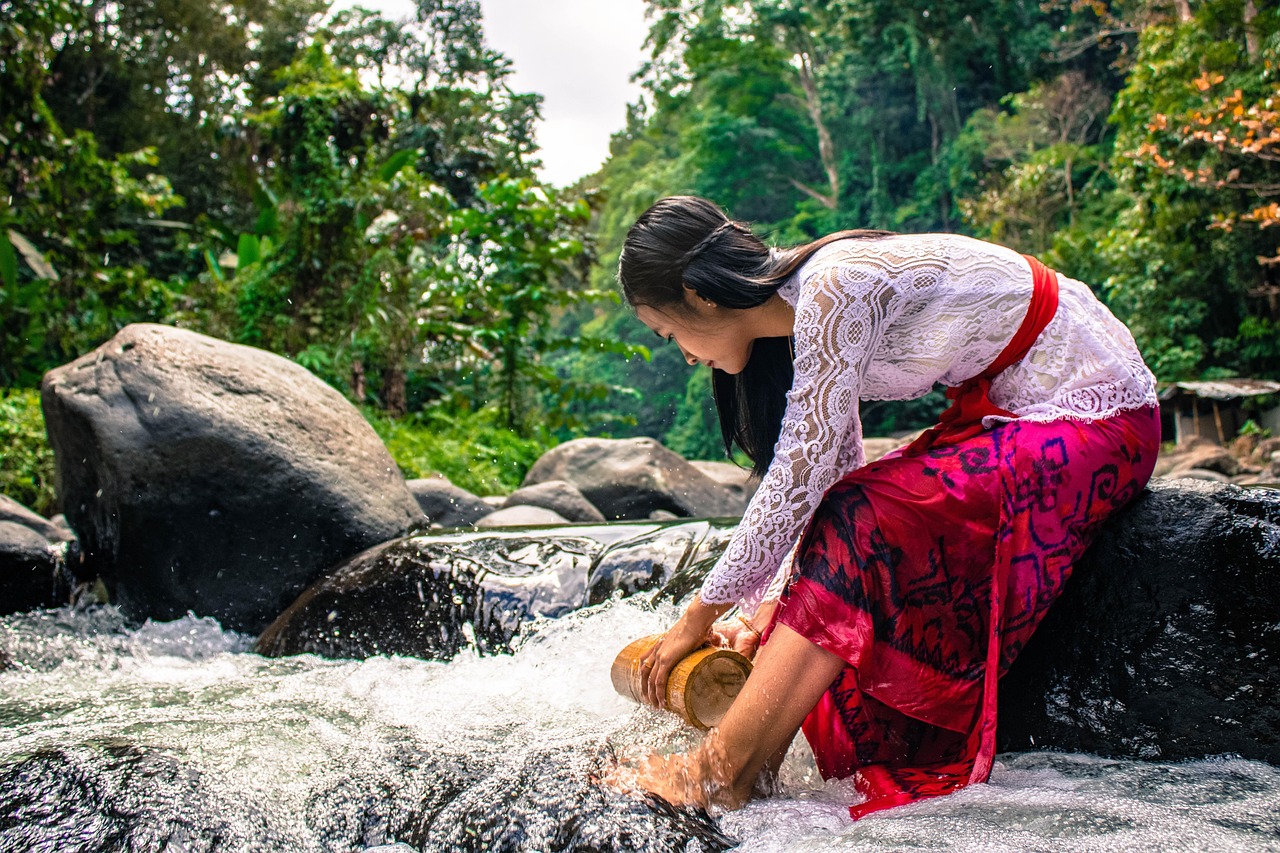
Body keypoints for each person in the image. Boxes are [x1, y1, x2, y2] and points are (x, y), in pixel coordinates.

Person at [610, 195, 1160, 819]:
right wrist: (763, 609)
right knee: (856, 512)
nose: (683, 354)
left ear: (700, 295)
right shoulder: (797, 320)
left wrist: (693, 621)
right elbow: (826, 475)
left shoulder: (833, 287)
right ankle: (750, 759)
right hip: (1012, 417)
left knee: (864, 515)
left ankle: (723, 772)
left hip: (1094, 418)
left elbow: (802, 477)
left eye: (669, 332)